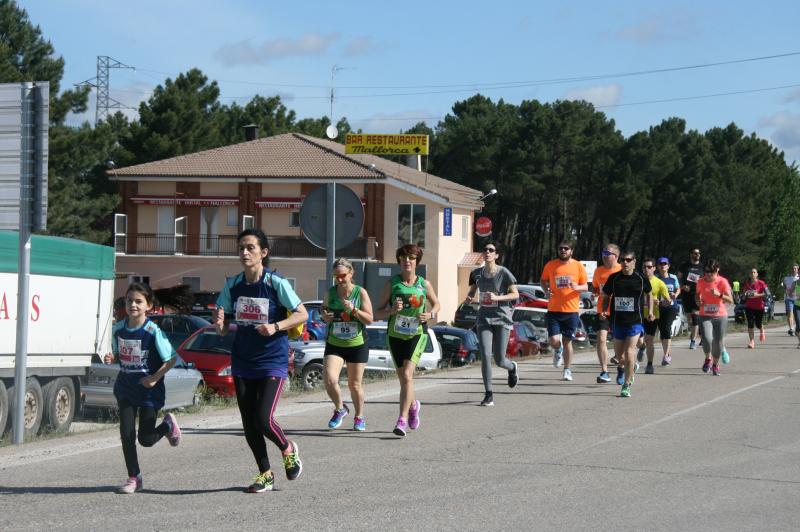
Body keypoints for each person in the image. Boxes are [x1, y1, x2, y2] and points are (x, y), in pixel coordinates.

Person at [214, 228, 308, 493]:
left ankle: (288, 448)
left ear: (263, 253)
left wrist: (276, 326)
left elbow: (302, 315)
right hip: (243, 361)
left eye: (250, 248)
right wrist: (220, 324)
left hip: (272, 360)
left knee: (263, 419)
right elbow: (222, 328)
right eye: (241, 247)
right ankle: (265, 475)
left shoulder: (275, 283)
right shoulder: (232, 285)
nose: (244, 252)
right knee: (249, 423)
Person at [105, 282, 182, 494]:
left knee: (146, 439)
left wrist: (155, 378)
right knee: (127, 434)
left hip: (149, 390)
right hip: (126, 388)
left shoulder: (153, 331)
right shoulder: (118, 329)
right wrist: (113, 357)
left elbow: (172, 359)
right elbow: (119, 355)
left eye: (139, 301)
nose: (133, 305)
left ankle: (167, 426)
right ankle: (134, 477)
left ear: (148, 306)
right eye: (129, 300)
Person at [377, 244, 441, 436]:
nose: (407, 261)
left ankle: (401, 420)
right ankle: (413, 406)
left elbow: (437, 304)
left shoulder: (424, 284)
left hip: (417, 334)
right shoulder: (392, 283)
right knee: (404, 379)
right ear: (399, 260)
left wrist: (430, 314)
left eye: (411, 258)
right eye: (404, 257)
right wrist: (391, 311)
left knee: (407, 375)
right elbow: (377, 311)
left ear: (416, 262)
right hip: (395, 335)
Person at [464, 242, 520, 407]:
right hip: (484, 318)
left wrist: (497, 298)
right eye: (485, 250)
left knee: (500, 360)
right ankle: (488, 394)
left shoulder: (504, 273)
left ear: (496, 255)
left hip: (502, 317)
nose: (487, 252)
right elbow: (472, 291)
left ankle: (511, 368)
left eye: (491, 250)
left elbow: (515, 294)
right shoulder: (476, 273)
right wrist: (469, 298)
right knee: (485, 356)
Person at [321, 258, 374, 431]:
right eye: (336, 276)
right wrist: (325, 317)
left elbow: (370, 319)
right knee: (329, 379)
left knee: (355, 385)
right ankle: (340, 408)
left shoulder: (361, 293)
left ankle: (359, 417)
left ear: (351, 273)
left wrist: (354, 310)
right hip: (335, 342)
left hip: (356, 343)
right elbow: (324, 309)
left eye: (343, 276)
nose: (340, 280)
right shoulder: (331, 292)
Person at [602, 251, 653, 397]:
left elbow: (649, 294)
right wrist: (605, 310)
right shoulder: (614, 278)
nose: (625, 262)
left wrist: (650, 311)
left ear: (634, 262)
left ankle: (626, 384)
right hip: (618, 321)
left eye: (628, 260)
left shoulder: (641, 279)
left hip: (635, 321)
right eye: (623, 260)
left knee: (630, 352)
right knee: (620, 357)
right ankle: (632, 367)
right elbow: (606, 295)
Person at [540, 240, 589, 381]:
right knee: (555, 340)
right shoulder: (550, 265)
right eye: (561, 248)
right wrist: (546, 291)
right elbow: (543, 281)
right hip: (554, 309)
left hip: (571, 310)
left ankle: (567, 369)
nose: (563, 250)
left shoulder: (578, 266)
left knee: (568, 341)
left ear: (571, 251)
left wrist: (576, 287)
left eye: (566, 248)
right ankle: (557, 350)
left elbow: (585, 286)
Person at [695, 259, 732, 376]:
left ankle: (715, 365)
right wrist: (698, 301)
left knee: (718, 342)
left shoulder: (723, 282)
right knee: (706, 338)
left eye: (712, 271)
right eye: (707, 271)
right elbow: (697, 296)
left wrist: (719, 294)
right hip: (705, 315)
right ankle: (708, 359)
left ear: (717, 270)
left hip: (720, 316)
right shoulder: (700, 282)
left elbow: (730, 300)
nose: (709, 274)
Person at [591, 243, 621, 383]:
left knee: (620, 342)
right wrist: (595, 293)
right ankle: (604, 371)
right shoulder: (598, 271)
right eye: (603, 253)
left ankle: (624, 365)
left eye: (607, 253)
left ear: (616, 256)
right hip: (603, 310)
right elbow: (597, 288)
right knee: (601, 339)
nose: (604, 256)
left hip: (620, 310)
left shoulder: (623, 269)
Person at [638, 258, 670, 374]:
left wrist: (660, 302)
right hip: (638, 315)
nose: (646, 269)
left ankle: (649, 364)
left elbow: (668, 301)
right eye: (644, 267)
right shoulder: (638, 280)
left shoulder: (659, 283)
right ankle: (641, 347)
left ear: (654, 268)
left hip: (653, 315)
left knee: (649, 339)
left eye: (649, 267)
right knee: (638, 341)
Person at [655, 257, 681, 366]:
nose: (662, 265)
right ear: (657, 266)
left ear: (668, 266)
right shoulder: (656, 278)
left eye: (664, 264)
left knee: (666, 327)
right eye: (660, 264)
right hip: (660, 307)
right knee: (662, 330)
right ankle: (667, 353)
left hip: (671, 307)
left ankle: (666, 355)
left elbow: (678, 288)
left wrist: (676, 294)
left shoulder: (673, 277)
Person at [678, 248, 704, 349]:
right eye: (695, 253)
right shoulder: (684, 266)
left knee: (695, 317)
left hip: (698, 295)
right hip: (686, 294)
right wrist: (683, 286)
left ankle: (693, 341)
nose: (697, 254)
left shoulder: (702, 267)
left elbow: (707, 279)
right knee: (689, 319)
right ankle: (701, 333)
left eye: (698, 253)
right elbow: (679, 277)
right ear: (691, 254)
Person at [742, 268, 769, 349]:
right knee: (750, 323)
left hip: (759, 307)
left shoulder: (761, 283)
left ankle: (762, 330)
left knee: (758, 324)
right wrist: (745, 294)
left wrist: (757, 295)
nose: (752, 273)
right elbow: (744, 294)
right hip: (749, 306)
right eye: (751, 272)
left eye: (754, 272)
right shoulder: (747, 283)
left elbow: (767, 293)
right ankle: (752, 342)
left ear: (757, 274)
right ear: (750, 275)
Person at [782, 264, 799, 336]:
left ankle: (797, 327)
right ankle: (791, 328)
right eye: (792, 268)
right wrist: (786, 291)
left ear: (798, 269)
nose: (794, 270)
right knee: (790, 313)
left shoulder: (799, 278)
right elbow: (783, 286)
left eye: (795, 268)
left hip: (798, 299)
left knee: (797, 316)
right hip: (789, 299)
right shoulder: (786, 278)